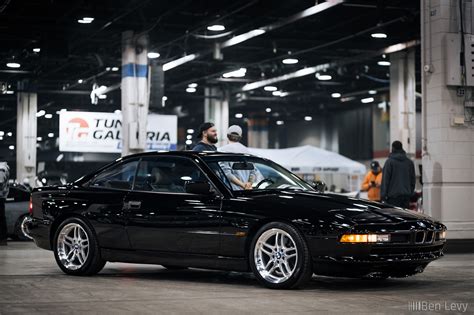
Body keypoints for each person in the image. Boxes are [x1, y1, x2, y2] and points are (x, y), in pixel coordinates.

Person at [218, 125, 255, 190]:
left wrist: (243, 185)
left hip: (230, 192)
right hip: (246, 191)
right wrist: (248, 185)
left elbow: (226, 173)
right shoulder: (248, 152)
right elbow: (253, 172)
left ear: (227, 136)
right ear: (240, 137)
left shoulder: (222, 150)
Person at [380, 141, 416, 208]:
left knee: (394, 217)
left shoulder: (389, 162)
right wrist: (410, 193)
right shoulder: (409, 163)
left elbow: (385, 180)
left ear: (392, 148)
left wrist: (383, 196)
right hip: (406, 197)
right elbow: (413, 180)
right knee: (404, 217)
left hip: (393, 198)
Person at [0, 162, 10, 246]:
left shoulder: (1, 169)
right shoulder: (3, 168)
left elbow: (0, 182)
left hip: (0, 197)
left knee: (1, 218)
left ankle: (3, 238)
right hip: (1, 196)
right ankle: (3, 238)